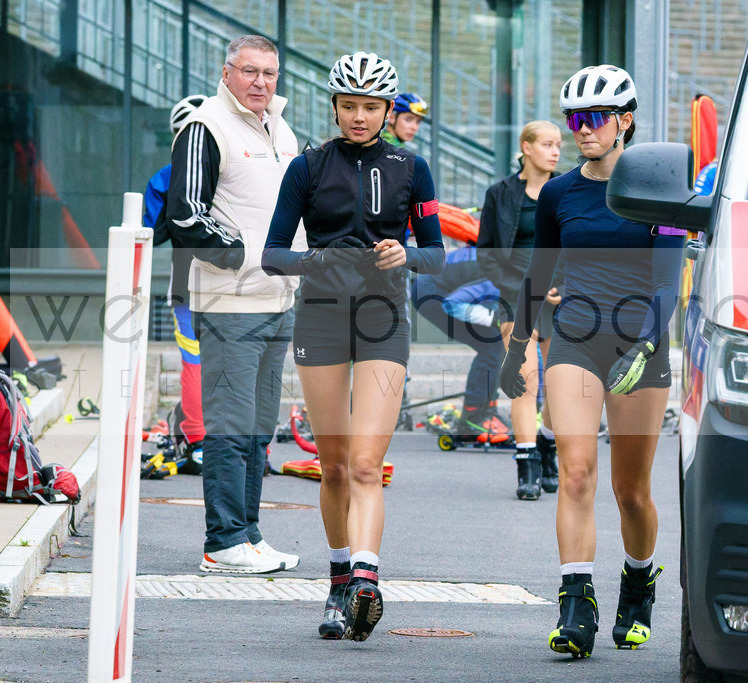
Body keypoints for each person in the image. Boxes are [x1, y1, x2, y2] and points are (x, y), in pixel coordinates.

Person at [499, 65, 684, 657]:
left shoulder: (663, 188)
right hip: (575, 339)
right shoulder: (559, 192)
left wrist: (649, 343)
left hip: (640, 346)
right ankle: (575, 603)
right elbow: (539, 272)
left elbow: (666, 282)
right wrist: (517, 347)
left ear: (624, 122)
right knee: (576, 472)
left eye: (594, 119)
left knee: (631, 490)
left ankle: (638, 582)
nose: (580, 130)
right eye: (573, 118)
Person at [261, 51, 445, 642]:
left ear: (388, 110)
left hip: (383, 318)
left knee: (367, 463)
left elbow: (436, 254)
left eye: (371, 107)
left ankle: (366, 579)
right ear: (335, 107)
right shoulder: (307, 167)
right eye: (349, 106)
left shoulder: (412, 167)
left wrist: (407, 254)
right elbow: (272, 255)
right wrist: (322, 258)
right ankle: (338, 577)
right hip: (319, 317)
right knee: (335, 465)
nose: (359, 117)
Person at [166, 35, 303, 575]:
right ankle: (222, 541)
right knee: (229, 424)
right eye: (249, 72)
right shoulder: (206, 126)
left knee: (259, 426)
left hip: (279, 301)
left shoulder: (280, 128)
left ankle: (247, 534)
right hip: (230, 301)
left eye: (269, 73)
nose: (260, 83)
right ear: (227, 73)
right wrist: (257, 258)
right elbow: (186, 216)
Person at [477, 120, 561, 500]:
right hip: (516, 295)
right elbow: (488, 256)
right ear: (526, 148)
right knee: (525, 378)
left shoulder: (566, 191)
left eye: (558, 144)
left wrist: (565, 286)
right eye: (547, 144)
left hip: (562, 296)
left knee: (559, 385)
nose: (556, 151)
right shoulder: (500, 194)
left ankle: (548, 449)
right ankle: (526, 462)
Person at [143, 94, 208, 473]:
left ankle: (199, 444)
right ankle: (247, 448)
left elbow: (151, 232)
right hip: (234, 280)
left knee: (194, 361)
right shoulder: (234, 165)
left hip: (188, 281)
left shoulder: (164, 178)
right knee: (236, 361)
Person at [411, 244, 505, 439]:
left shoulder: (509, 268)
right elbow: (453, 304)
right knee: (492, 345)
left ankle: (486, 411)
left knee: (496, 343)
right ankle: (473, 418)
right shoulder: (499, 278)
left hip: (447, 285)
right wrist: (495, 318)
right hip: (431, 292)